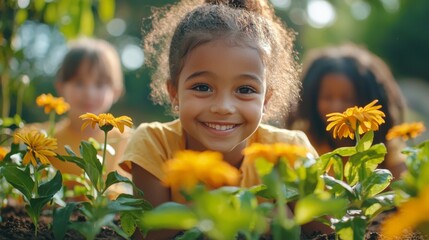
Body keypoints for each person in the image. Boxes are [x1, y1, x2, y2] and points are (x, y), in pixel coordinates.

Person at [119, 0, 328, 238]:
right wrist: (246, 213)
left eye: (246, 90)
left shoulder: (290, 152)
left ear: (266, 99)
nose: (223, 107)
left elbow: (326, 233)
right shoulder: (155, 144)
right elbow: (148, 233)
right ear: (174, 92)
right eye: (202, 87)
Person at [286, 43, 407, 179]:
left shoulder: (387, 149)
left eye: (347, 99)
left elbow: (404, 188)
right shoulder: (303, 143)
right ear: (312, 99)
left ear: (366, 100)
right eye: (327, 97)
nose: (336, 107)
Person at [32, 37, 131, 197]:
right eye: (79, 83)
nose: (89, 93)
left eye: (99, 84)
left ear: (116, 92)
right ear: (60, 87)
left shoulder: (126, 140)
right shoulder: (43, 138)